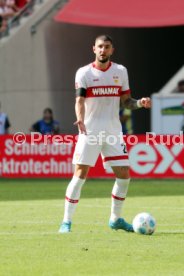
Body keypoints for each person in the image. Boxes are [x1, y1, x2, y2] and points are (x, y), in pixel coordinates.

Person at [59, 35, 151, 234]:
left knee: (124, 175)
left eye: (106, 47)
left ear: (112, 50)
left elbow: (126, 102)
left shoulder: (120, 71)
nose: (103, 50)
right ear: (94, 49)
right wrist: (80, 119)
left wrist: (139, 103)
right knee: (80, 174)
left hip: (113, 131)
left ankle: (115, 219)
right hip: (89, 130)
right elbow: (79, 100)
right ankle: (66, 222)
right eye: (100, 47)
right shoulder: (83, 72)